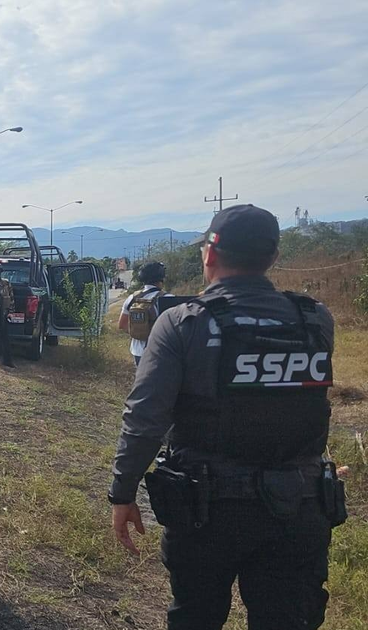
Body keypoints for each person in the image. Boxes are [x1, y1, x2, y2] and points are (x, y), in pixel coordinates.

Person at [109, 205, 340, 629]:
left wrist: (122, 493)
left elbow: (145, 419)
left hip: (206, 513)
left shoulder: (183, 323)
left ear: (209, 253)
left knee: (195, 616)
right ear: (272, 256)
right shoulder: (315, 320)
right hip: (299, 508)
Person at [118, 261, 172, 367]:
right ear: (161, 277)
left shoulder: (132, 298)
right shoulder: (168, 299)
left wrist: (139, 332)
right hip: (160, 352)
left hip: (137, 352)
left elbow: (122, 325)